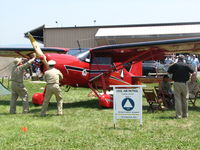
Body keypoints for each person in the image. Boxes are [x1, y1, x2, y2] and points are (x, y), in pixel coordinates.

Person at [168, 54, 194, 119]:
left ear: (178, 59)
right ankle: (185, 115)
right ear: (183, 59)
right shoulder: (186, 65)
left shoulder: (175, 65)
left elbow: (169, 72)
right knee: (185, 99)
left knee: (177, 99)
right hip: (185, 83)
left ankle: (179, 115)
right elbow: (193, 71)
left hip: (176, 83)